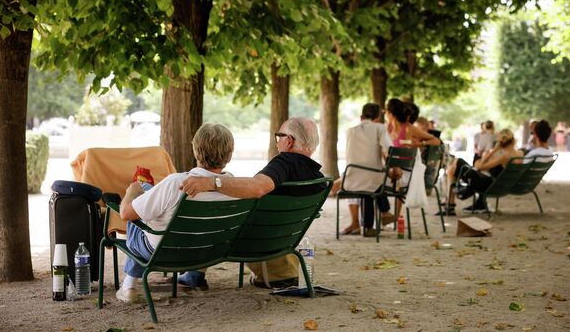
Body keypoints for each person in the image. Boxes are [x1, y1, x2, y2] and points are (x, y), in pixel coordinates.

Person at [180, 117, 324, 289]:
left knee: (217, 211)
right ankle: (195, 273)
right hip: (284, 250)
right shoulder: (318, 179)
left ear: (289, 141)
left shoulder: (284, 163)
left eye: (279, 136)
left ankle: (195, 273)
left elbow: (258, 187)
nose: (277, 142)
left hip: (257, 248)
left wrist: (212, 182)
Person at [116, 123, 236, 303]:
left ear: (195, 151)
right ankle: (195, 275)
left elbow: (126, 213)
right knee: (151, 195)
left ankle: (129, 286)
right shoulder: (234, 185)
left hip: (164, 252)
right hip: (207, 252)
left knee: (138, 212)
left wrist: (130, 193)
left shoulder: (176, 182)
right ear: (230, 153)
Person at [333, 103, 393, 236]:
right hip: (373, 178)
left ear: (361, 116)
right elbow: (389, 149)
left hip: (351, 178)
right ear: (378, 117)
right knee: (375, 181)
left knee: (367, 186)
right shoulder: (380, 127)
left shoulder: (350, 131)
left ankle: (369, 225)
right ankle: (383, 213)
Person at [445, 129, 524, 214]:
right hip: (501, 185)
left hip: (491, 186)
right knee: (453, 168)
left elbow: (480, 166)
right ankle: (453, 201)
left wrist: (494, 150)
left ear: (500, 142)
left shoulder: (504, 156)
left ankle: (450, 203)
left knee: (457, 162)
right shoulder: (519, 153)